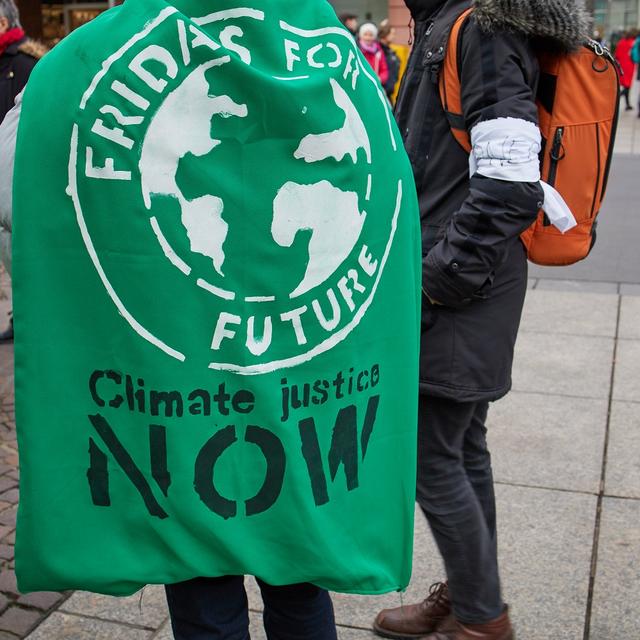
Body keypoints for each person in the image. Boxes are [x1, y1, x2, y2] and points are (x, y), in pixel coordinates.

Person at [372, 1, 589, 639]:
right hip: (465, 278)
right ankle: (472, 596)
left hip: (459, 284)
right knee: (461, 449)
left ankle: (482, 620)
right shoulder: (453, 21)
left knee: (431, 455)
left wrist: (437, 282)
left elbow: (511, 183)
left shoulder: (479, 27)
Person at [0, 0, 46, 343]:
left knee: (26, 261)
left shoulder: (29, 65)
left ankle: (33, 322)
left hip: (23, 179)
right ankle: (21, 317)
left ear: (2, 23)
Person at [357, 22, 388, 88]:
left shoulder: (379, 51)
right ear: (361, 36)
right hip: (360, 85)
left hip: (375, 85)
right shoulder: (357, 50)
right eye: (365, 34)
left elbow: (384, 69)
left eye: (371, 35)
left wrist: (380, 79)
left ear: (374, 37)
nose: (368, 38)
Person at [378, 20, 401, 100]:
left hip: (389, 92)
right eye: (392, 34)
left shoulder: (390, 51)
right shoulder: (378, 51)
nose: (394, 36)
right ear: (385, 34)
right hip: (382, 91)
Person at [615, 31, 636, 111]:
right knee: (627, 86)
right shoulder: (632, 43)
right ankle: (617, 98)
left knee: (626, 85)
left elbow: (617, 54)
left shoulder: (621, 42)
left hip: (622, 65)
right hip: (630, 65)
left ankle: (627, 104)